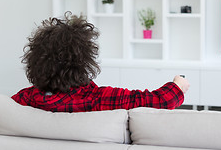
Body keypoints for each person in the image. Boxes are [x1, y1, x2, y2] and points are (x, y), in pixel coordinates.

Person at [11, 12, 189, 112]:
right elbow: (161, 101)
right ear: (84, 61)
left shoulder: (24, 99)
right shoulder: (100, 99)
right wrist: (178, 84)